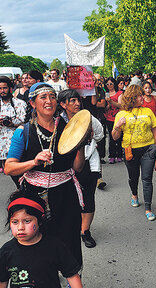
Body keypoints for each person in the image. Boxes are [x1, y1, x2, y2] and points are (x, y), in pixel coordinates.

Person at [4, 82, 86, 288]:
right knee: (37, 243)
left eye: (52, 96)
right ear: (32, 103)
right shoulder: (24, 132)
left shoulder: (69, 129)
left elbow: (77, 168)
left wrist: (80, 147)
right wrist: (33, 162)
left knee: (69, 243)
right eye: (42, 97)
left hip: (65, 193)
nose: (48, 100)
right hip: (34, 197)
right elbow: (9, 168)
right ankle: (43, 287)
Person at [0, 190, 90, 288]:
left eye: (27, 221)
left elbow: (72, 275)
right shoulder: (6, 252)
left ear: (40, 220)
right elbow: (2, 281)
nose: (20, 227)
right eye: (15, 222)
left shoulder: (55, 247)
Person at [58, 89, 104, 249]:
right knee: (69, 199)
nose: (77, 103)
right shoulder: (58, 122)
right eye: (72, 101)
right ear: (63, 104)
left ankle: (85, 231)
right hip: (65, 166)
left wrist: (89, 141)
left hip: (89, 164)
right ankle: (71, 227)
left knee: (88, 198)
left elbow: (100, 135)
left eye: (78, 100)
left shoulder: (88, 118)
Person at [112, 85, 156, 221]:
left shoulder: (147, 111)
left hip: (148, 149)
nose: (142, 97)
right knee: (134, 177)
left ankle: (148, 209)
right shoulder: (121, 114)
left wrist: (155, 145)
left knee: (147, 179)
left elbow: (155, 128)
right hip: (130, 150)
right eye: (140, 96)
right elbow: (114, 137)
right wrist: (118, 126)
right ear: (132, 98)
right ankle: (134, 194)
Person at [0, 76, 27, 177]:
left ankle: (23, 190)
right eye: (0, 88)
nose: (2, 91)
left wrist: (12, 124)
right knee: (9, 172)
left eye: (4, 88)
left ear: (10, 88)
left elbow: (25, 123)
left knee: (21, 172)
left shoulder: (19, 103)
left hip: (17, 144)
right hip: (2, 146)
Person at [142, 81, 156, 173]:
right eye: (146, 88)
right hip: (144, 123)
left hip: (155, 122)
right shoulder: (141, 99)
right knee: (146, 141)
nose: (148, 90)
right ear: (142, 89)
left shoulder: (154, 98)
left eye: (149, 88)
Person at [104, 77, 124, 163]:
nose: (109, 86)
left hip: (118, 117)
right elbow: (104, 107)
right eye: (107, 84)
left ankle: (119, 154)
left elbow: (121, 105)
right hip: (109, 117)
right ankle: (111, 155)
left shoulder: (119, 93)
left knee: (119, 136)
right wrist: (107, 106)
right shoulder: (105, 94)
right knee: (111, 138)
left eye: (111, 84)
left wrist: (111, 102)